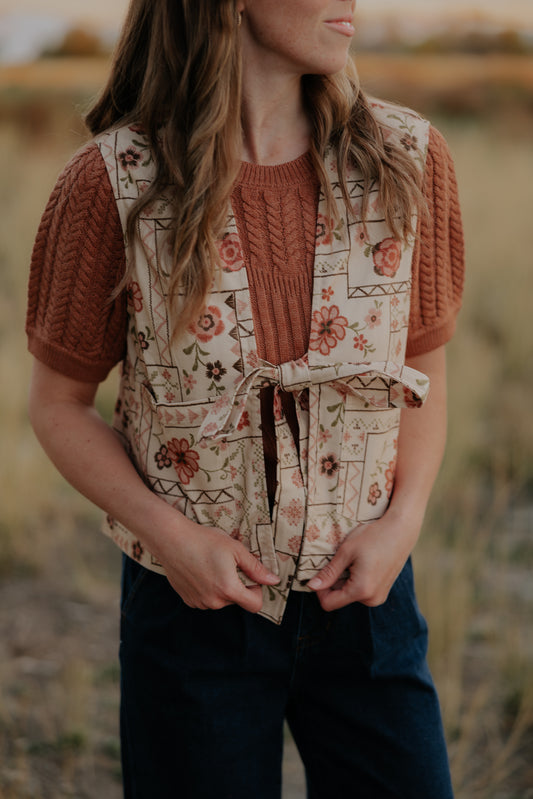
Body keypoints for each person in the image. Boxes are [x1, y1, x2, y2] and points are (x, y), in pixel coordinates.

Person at [26, 0, 465, 797]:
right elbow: (58, 404)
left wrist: (402, 524)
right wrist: (173, 540)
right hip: (190, 611)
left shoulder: (406, 159)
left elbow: (421, 372)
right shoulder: (111, 184)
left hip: (368, 603)